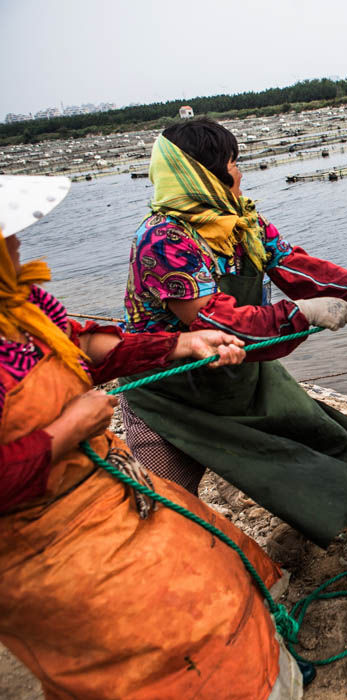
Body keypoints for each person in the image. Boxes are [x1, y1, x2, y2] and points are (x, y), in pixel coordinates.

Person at [0, 175, 302, 699]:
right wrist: (69, 429)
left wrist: (183, 343)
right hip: (34, 540)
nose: (18, 244)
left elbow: (83, 342)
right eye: (5, 239)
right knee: (171, 626)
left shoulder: (20, 308)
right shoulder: (162, 241)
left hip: (99, 484)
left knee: (221, 556)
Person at [121, 118, 347, 555]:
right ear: (204, 173)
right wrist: (299, 315)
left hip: (241, 371)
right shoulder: (162, 240)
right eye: (232, 162)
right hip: (170, 390)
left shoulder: (242, 223)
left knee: (319, 437)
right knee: (165, 497)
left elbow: (297, 267)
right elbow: (214, 322)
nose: (240, 172)